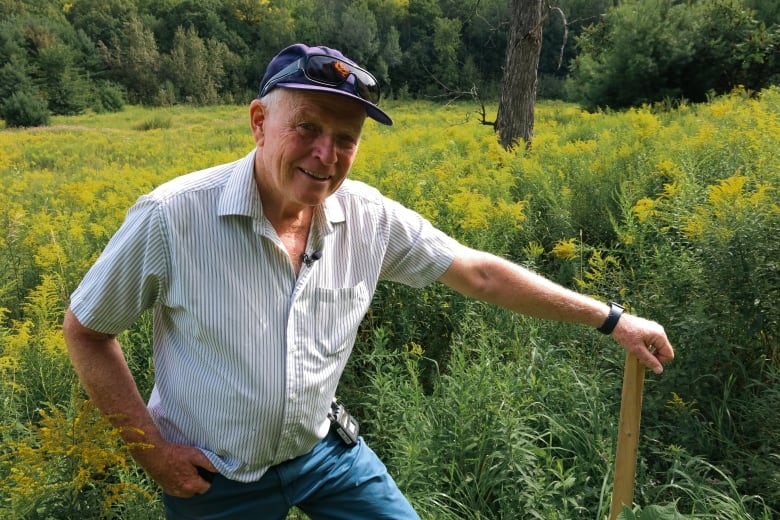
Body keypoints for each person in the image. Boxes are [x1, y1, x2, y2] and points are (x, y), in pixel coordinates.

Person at [63, 43, 674, 520]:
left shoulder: (369, 218)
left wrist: (613, 318)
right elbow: (86, 330)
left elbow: (481, 274)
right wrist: (152, 452)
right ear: (258, 122)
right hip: (213, 477)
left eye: (346, 138)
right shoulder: (172, 217)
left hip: (324, 453)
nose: (326, 154)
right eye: (306, 127)